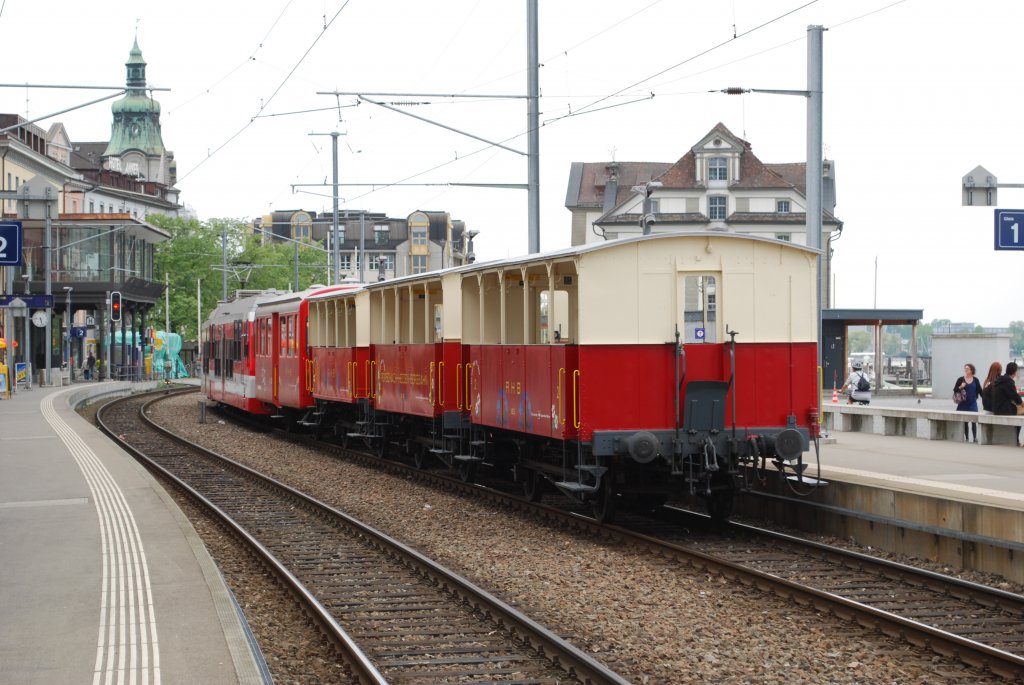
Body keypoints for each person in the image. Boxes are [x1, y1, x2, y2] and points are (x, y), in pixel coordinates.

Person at [991, 361, 1023, 446]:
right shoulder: (1008, 381)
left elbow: (1009, 395)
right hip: (1003, 409)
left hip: (997, 408)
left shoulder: (1001, 379)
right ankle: (1016, 440)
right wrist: (1021, 403)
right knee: (1021, 416)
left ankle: (1016, 440)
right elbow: (1015, 396)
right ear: (1015, 372)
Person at [953, 363, 982, 442]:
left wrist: (985, 400)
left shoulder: (975, 380)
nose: (966, 370)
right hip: (963, 403)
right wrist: (960, 387)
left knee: (974, 421)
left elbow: (980, 391)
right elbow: (955, 389)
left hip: (972, 403)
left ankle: (975, 437)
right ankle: (967, 438)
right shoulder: (960, 379)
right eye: (965, 368)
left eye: (967, 368)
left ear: (971, 370)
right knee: (965, 421)